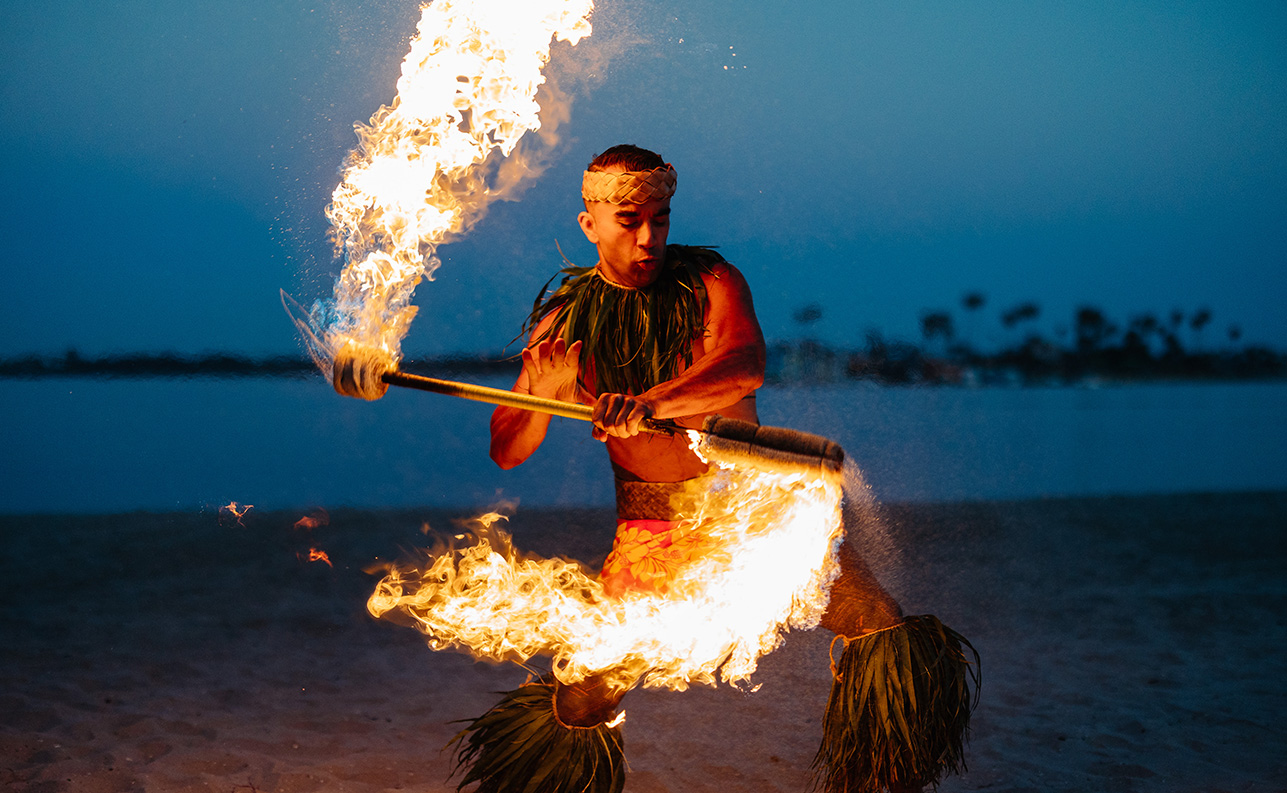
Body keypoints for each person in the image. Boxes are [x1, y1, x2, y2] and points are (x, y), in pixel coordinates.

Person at [335, 144, 977, 793]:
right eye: (628, 220)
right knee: (585, 694)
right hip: (651, 530)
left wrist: (650, 402)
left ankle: (881, 777)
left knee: (878, 621)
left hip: (752, 507)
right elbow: (508, 448)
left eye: (660, 218)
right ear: (590, 224)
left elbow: (743, 363)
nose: (649, 238)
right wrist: (550, 393)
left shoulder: (712, 283)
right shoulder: (563, 321)